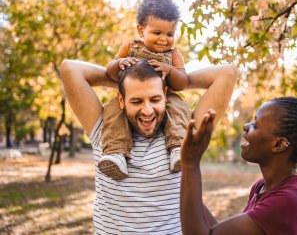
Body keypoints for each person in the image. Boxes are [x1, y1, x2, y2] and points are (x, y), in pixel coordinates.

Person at [60, 58, 237, 234]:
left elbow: (227, 73)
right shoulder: (105, 130)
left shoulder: (185, 134)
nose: (147, 110)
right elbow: (70, 69)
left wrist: (174, 80)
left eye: (155, 99)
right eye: (136, 101)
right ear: (121, 100)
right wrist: (125, 80)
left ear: (165, 95)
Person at [180, 97, 297, 235]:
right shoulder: (263, 186)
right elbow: (217, 231)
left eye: (255, 125)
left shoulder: (290, 201)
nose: (246, 127)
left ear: (279, 144)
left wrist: (190, 163)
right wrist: (180, 185)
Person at [100, 0, 190, 180]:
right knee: (112, 110)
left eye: (170, 34)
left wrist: (170, 70)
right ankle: (116, 153)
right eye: (157, 33)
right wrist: (119, 63)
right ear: (141, 30)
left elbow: (183, 83)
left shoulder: (174, 55)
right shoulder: (130, 46)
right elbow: (109, 72)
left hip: (164, 97)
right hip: (132, 97)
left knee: (179, 107)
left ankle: (177, 149)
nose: (164, 39)